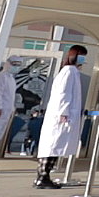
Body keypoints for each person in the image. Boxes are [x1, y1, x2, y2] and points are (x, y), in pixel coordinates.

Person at [35, 45, 88, 189]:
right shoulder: (69, 72)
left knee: (54, 146)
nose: (83, 59)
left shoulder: (72, 72)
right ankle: (42, 177)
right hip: (61, 115)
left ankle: (43, 177)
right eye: (82, 55)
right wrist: (64, 112)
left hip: (63, 114)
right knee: (53, 146)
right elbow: (63, 94)